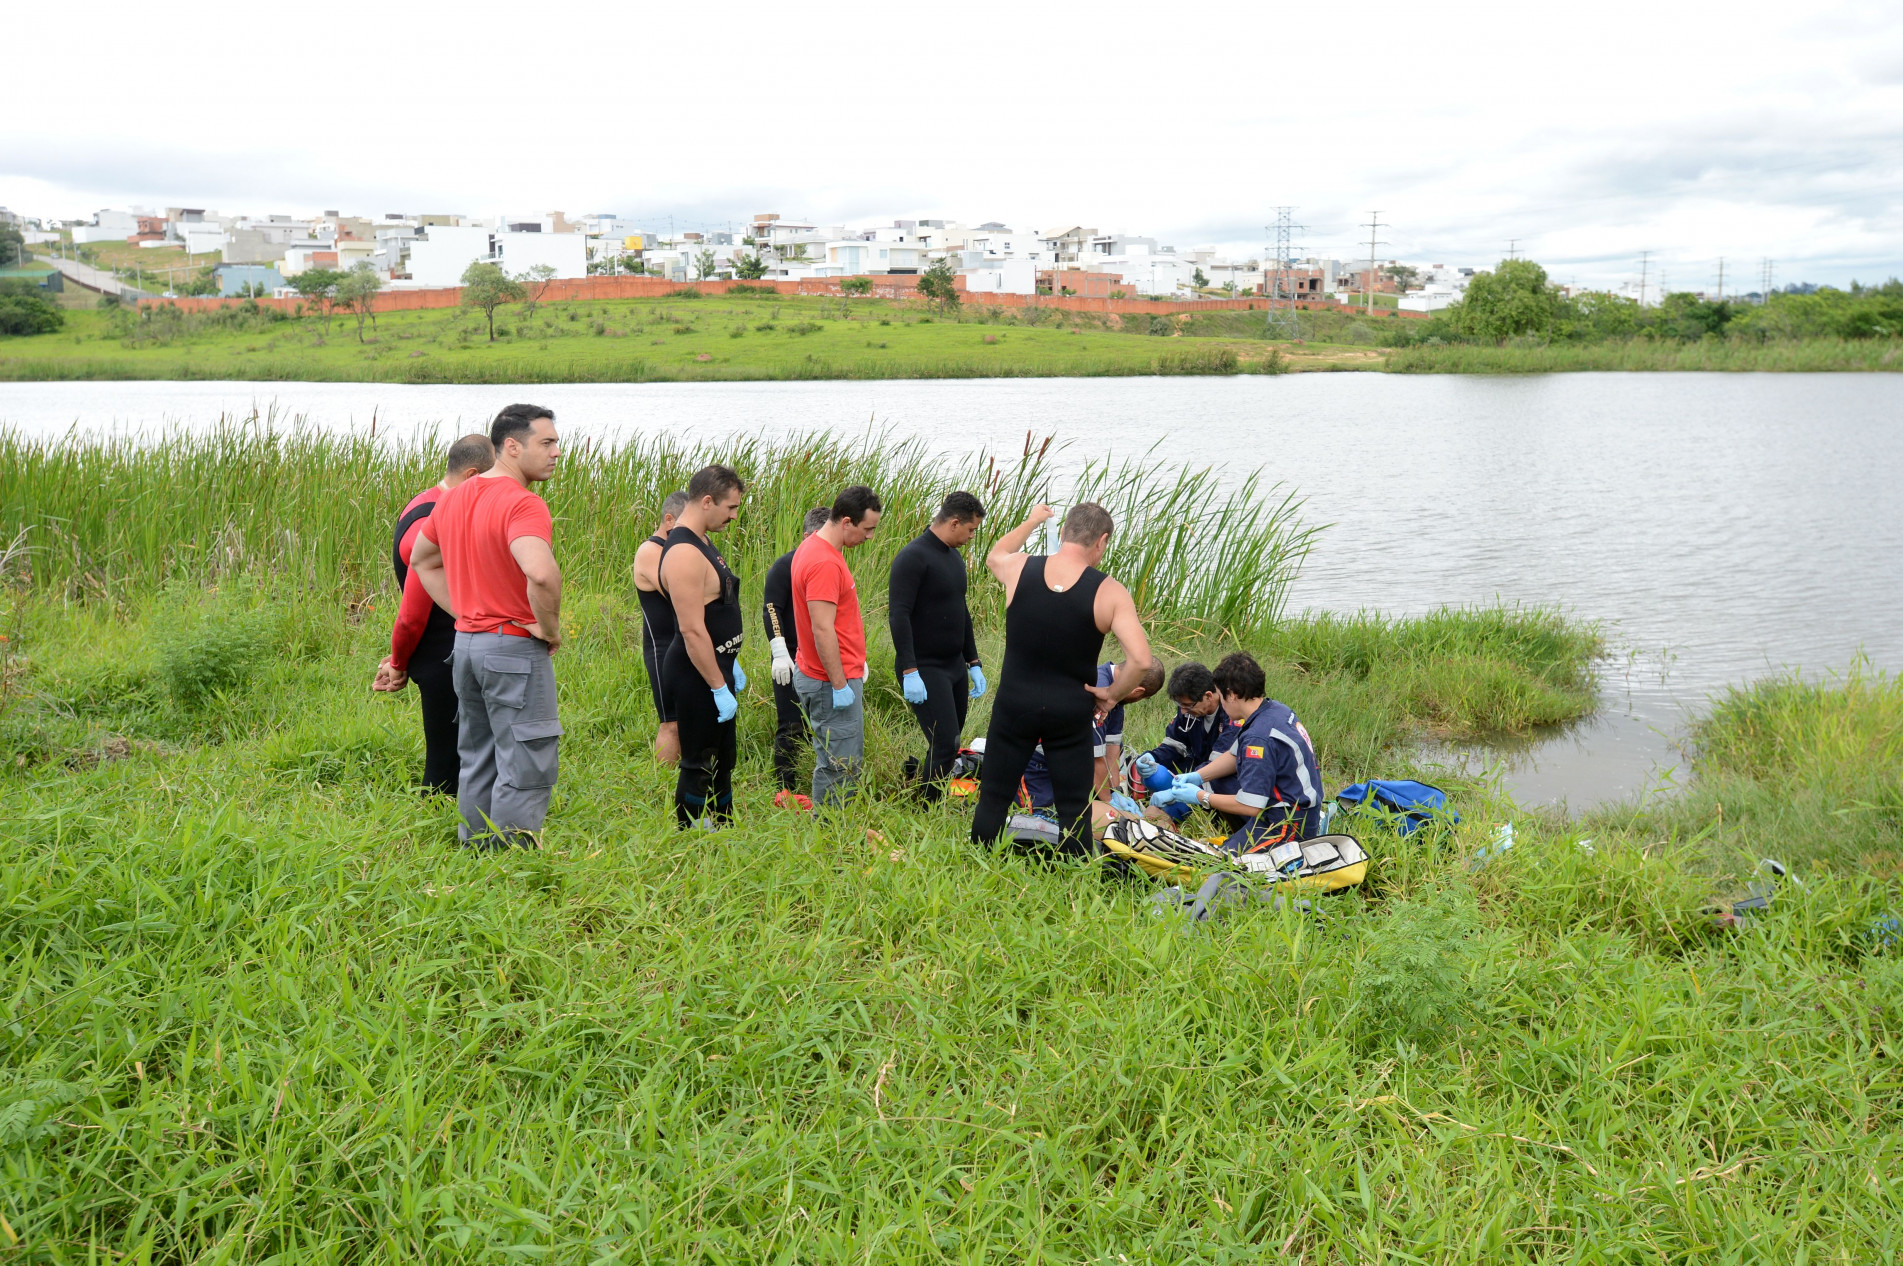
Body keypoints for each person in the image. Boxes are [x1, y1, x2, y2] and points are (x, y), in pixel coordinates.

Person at [408, 404, 563, 848]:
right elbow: (541, 573)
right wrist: (548, 629)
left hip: (467, 646)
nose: (557, 452)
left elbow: (421, 559)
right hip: (512, 647)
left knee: (478, 757)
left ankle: (476, 857)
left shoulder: (454, 497)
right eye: (546, 443)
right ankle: (512, 867)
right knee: (527, 760)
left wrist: (466, 612)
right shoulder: (523, 502)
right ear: (511, 446)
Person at [971, 502, 1155, 856]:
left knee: (994, 795)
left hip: (1015, 701)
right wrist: (1112, 694)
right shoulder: (1109, 591)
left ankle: (977, 864)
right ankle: (1072, 878)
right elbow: (1141, 661)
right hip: (1069, 708)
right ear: (1101, 541)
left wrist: (1032, 520)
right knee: (1074, 806)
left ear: (1065, 531)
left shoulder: (1020, 567)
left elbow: (996, 554)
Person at [373, 432, 495, 795]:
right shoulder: (430, 523)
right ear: (473, 476)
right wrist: (398, 661)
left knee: (466, 752)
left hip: (449, 651)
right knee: (445, 763)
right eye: (492, 481)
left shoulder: (427, 501)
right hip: (442, 656)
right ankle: (434, 840)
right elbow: (412, 612)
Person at [1150, 651, 1323, 868]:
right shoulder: (1272, 710)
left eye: (1221, 696)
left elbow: (1251, 805)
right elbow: (1232, 756)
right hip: (1284, 810)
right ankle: (1243, 835)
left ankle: (1301, 841)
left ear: (1231, 695)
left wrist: (1200, 796)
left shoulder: (1258, 737)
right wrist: (1195, 776)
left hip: (1287, 822)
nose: (1220, 703)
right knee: (1221, 787)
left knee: (1217, 865)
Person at [659, 464, 748, 829]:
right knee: (700, 758)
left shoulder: (705, 542)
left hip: (719, 665)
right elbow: (693, 630)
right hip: (696, 673)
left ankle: (723, 826)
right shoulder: (683, 553)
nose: (733, 516)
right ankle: (690, 833)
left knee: (725, 757)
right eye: (730, 508)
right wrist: (717, 686)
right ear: (707, 501)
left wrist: (731, 661)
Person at [888, 490, 988, 801]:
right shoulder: (912, 557)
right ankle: (924, 807)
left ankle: (925, 789)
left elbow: (961, 610)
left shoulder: (954, 558)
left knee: (949, 742)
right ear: (955, 522)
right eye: (971, 529)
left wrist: (973, 663)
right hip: (924, 667)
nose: (972, 536)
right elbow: (898, 615)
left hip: (954, 667)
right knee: (945, 742)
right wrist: (909, 669)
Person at [790, 485, 882, 808]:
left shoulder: (814, 547)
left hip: (828, 675)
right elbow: (822, 628)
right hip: (830, 683)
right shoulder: (825, 563)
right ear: (846, 522)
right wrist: (841, 684)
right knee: (839, 766)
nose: (870, 537)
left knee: (840, 761)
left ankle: (835, 832)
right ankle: (831, 840)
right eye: (867, 529)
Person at [1017, 657, 1163, 830]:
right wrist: (1109, 801)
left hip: (1069, 765)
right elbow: (1095, 759)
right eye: (1141, 698)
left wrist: (1116, 791)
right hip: (1036, 765)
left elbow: (1112, 749)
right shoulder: (1096, 691)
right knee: (1042, 821)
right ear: (1138, 692)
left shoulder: (1115, 694)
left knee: (1096, 815)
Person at [762, 505, 831, 811]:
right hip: (789, 655)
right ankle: (784, 788)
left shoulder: (832, 563)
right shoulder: (785, 565)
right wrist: (778, 650)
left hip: (822, 654)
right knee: (791, 723)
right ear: (806, 536)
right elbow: (772, 608)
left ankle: (824, 784)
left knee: (824, 722)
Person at [1131, 661, 1234, 825]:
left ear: (1208, 696)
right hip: (1195, 770)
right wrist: (1152, 757)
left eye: (1187, 706)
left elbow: (1218, 768)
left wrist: (1180, 790)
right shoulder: (1189, 709)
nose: (1183, 711)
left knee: (1167, 809)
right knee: (1154, 776)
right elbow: (1174, 744)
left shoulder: (1232, 716)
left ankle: (1184, 807)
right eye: (1180, 706)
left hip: (1219, 780)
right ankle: (1175, 800)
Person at [633, 489, 690, 764]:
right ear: (669, 520)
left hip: (685, 644)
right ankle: (662, 787)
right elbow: (680, 593)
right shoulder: (651, 550)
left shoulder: (676, 549)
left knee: (690, 718)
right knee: (672, 722)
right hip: (662, 648)